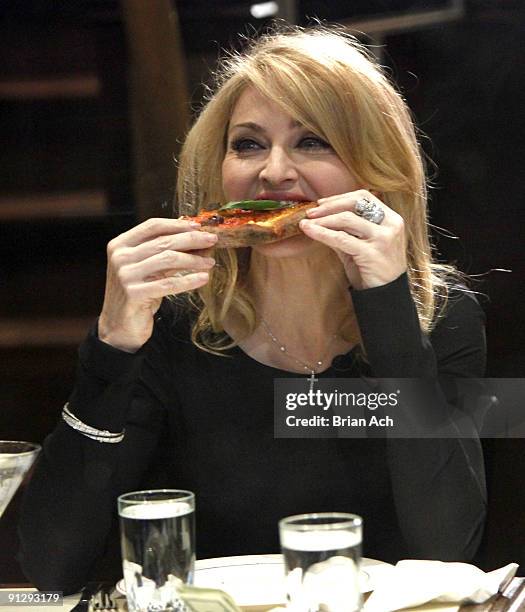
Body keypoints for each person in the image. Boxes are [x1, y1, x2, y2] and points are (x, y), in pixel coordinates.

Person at [18, 25, 487, 593]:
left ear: (377, 171)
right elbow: (49, 567)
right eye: (248, 144)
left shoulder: (443, 317)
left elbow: (449, 550)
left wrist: (387, 311)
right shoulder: (176, 320)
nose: (274, 172)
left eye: (313, 141)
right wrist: (112, 347)